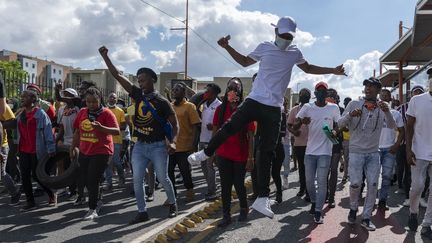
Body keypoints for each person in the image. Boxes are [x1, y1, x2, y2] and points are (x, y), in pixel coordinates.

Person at [187, 16, 346, 218]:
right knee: (230, 126)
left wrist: (333, 70)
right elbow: (245, 61)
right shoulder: (264, 47)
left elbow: (308, 68)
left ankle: (263, 198)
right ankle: (206, 152)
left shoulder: (295, 52)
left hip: (273, 108)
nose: (286, 39)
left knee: (267, 152)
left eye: (289, 36)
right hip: (255, 100)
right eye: (283, 35)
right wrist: (227, 47)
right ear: (275, 32)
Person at [99, 46, 178, 224]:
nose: (140, 84)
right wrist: (105, 56)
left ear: (152, 80)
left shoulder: (162, 102)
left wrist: (173, 142)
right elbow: (117, 75)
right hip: (139, 146)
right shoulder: (137, 94)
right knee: (137, 180)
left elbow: (175, 124)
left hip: (158, 146)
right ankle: (142, 212)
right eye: (139, 81)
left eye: (143, 80)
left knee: (163, 178)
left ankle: (173, 204)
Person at [338, 77, 396, 231]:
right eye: (366, 86)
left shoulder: (382, 107)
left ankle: (366, 217)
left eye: (372, 86)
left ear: (378, 90)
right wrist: (351, 115)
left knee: (373, 184)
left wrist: (387, 111)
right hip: (356, 151)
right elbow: (339, 124)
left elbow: (391, 125)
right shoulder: (354, 104)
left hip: (373, 153)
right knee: (356, 183)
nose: (368, 89)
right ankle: (353, 208)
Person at [70, 87, 120, 220]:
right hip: (85, 150)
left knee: (93, 179)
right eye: (88, 101)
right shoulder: (82, 112)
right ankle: (98, 198)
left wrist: (101, 128)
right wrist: (72, 147)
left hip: (102, 151)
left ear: (100, 100)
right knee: (86, 179)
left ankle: (92, 209)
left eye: (94, 101)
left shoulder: (107, 113)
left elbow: (116, 131)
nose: (91, 104)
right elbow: (77, 131)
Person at [294, 82, 340, 224]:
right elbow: (295, 126)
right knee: (309, 182)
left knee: (321, 181)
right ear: (315, 94)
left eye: (323, 91)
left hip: (325, 152)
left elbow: (338, 126)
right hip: (310, 152)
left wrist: (335, 132)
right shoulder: (308, 107)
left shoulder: (334, 108)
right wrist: (302, 122)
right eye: (318, 91)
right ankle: (314, 201)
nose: (321, 93)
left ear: (326, 94)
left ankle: (318, 210)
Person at [214, 78, 255, 227]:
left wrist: (251, 157)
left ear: (240, 92)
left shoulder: (246, 110)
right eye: (230, 88)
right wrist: (212, 152)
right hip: (223, 153)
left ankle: (244, 208)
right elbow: (215, 131)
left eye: (236, 88)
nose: (233, 91)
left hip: (240, 154)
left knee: (238, 183)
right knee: (225, 186)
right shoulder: (220, 110)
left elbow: (251, 136)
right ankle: (226, 215)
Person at [17, 90, 57, 211]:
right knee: (24, 176)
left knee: (37, 175)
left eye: (25, 96)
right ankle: (30, 202)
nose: (22, 98)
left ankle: (51, 194)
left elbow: (48, 131)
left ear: (33, 99)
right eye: (22, 96)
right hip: (24, 150)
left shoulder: (40, 113)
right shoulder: (21, 114)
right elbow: (18, 133)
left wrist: (50, 148)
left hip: (37, 150)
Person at [406, 68, 432, 237]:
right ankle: (413, 211)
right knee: (417, 186)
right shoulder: (417, 100)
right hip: (419, 151)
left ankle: (427, 223)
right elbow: (408, 126)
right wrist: (408, 150)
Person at [169, 83, 200, 201]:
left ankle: (189, 190)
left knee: (185, 172)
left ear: (184, 93)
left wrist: (194, 144)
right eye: (174, 90)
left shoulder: (190, 106)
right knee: (168, 172)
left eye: (177, 90)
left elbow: (196, 126)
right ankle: (173, 195)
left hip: (185, 146)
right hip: (171, 146)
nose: (174, 91)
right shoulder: (169, 106)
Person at [397, 85, 425, 207]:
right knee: (408, 171)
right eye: (415, 92)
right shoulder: (401, 108)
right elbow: (397, 126)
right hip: (405, 143)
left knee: (424, 174)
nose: (417, 94)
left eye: (420, 92)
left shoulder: (426, 106)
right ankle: (408, 197)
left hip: (422, 143)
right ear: (411, 95)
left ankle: (421, 197)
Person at [377, 89, 404, 210]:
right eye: (381, 96)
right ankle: (371, 199)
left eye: (386, 96)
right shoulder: (374, 111)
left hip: (389, 149)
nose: (384, 98)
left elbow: (402, 131)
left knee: (387, 175)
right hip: (374, 149)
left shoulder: (396, 113)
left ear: (390, 99)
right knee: (372, 176)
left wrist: (396, 144)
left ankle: (382, 200)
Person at [55, 88, 81, 201]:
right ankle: (70, 190)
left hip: (77, 142)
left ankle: (76, 192)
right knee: (67, 167)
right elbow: (61, 128)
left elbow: (79, 128)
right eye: (64, 95)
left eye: (68, 95)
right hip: (65, 142)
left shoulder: (78, 109)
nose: (66, 97)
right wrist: (56, 140)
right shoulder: (61, 109)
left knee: (75, 168)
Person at [199, 83, 222, 201]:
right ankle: (212, 185)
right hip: (202, 139)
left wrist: (214, 126)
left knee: (210, 165)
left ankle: (212, 191)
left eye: (208, 91)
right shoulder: (203, 104)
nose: (205, 93)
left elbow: (223, 123)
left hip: (212, 141)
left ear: (214, 93)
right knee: (203, 165)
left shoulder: (219, 105)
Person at [288, 89, 311, 200]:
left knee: (309, 169)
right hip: (299, 144)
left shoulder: (313, 109)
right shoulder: (294, 110)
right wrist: (294, 132)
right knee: (302, 168)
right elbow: (289, 125)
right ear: (299, 97)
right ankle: (302, 188)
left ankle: (308, 191)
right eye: (302, 95)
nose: (304, 97)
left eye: (307, 96)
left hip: (311, 145)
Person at [325, 90, 344, 208]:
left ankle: (331, 197)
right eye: (328, 96)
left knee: (333, 170)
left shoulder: (340, 110)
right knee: (324, 172)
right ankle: (325, 194)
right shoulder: (322, 108)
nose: (330, 98)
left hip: (335, 144)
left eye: (332, 96)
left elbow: (343, 126)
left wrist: (335, 132)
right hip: (322, 145)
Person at [104, 92, 127, 190]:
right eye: (110, 97)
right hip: (106, 141)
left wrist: (112, 128)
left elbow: (123, 126)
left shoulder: (120, 111)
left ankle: (121, 178)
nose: (112, 99)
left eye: (114, 98)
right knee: (107, 163)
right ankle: (109, 183)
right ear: (107, 99)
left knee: (117, 162)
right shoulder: (104, 110)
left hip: (117, 140)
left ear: (116, 100)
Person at [0, 103, 20, 205]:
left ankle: (15, 193)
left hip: (1, 145)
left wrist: (1, 125)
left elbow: (13, 123)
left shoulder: (3, 106)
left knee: (1, 173)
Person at [341, 97, 352, 183]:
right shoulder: (342, 112)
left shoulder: (353, 114)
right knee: (345, 158)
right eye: (345, 102)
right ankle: (345, 173)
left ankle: (346, 175)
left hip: (350, 139)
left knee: (347, 158)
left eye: (347, 102)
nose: (345, 103)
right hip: (342, 138)